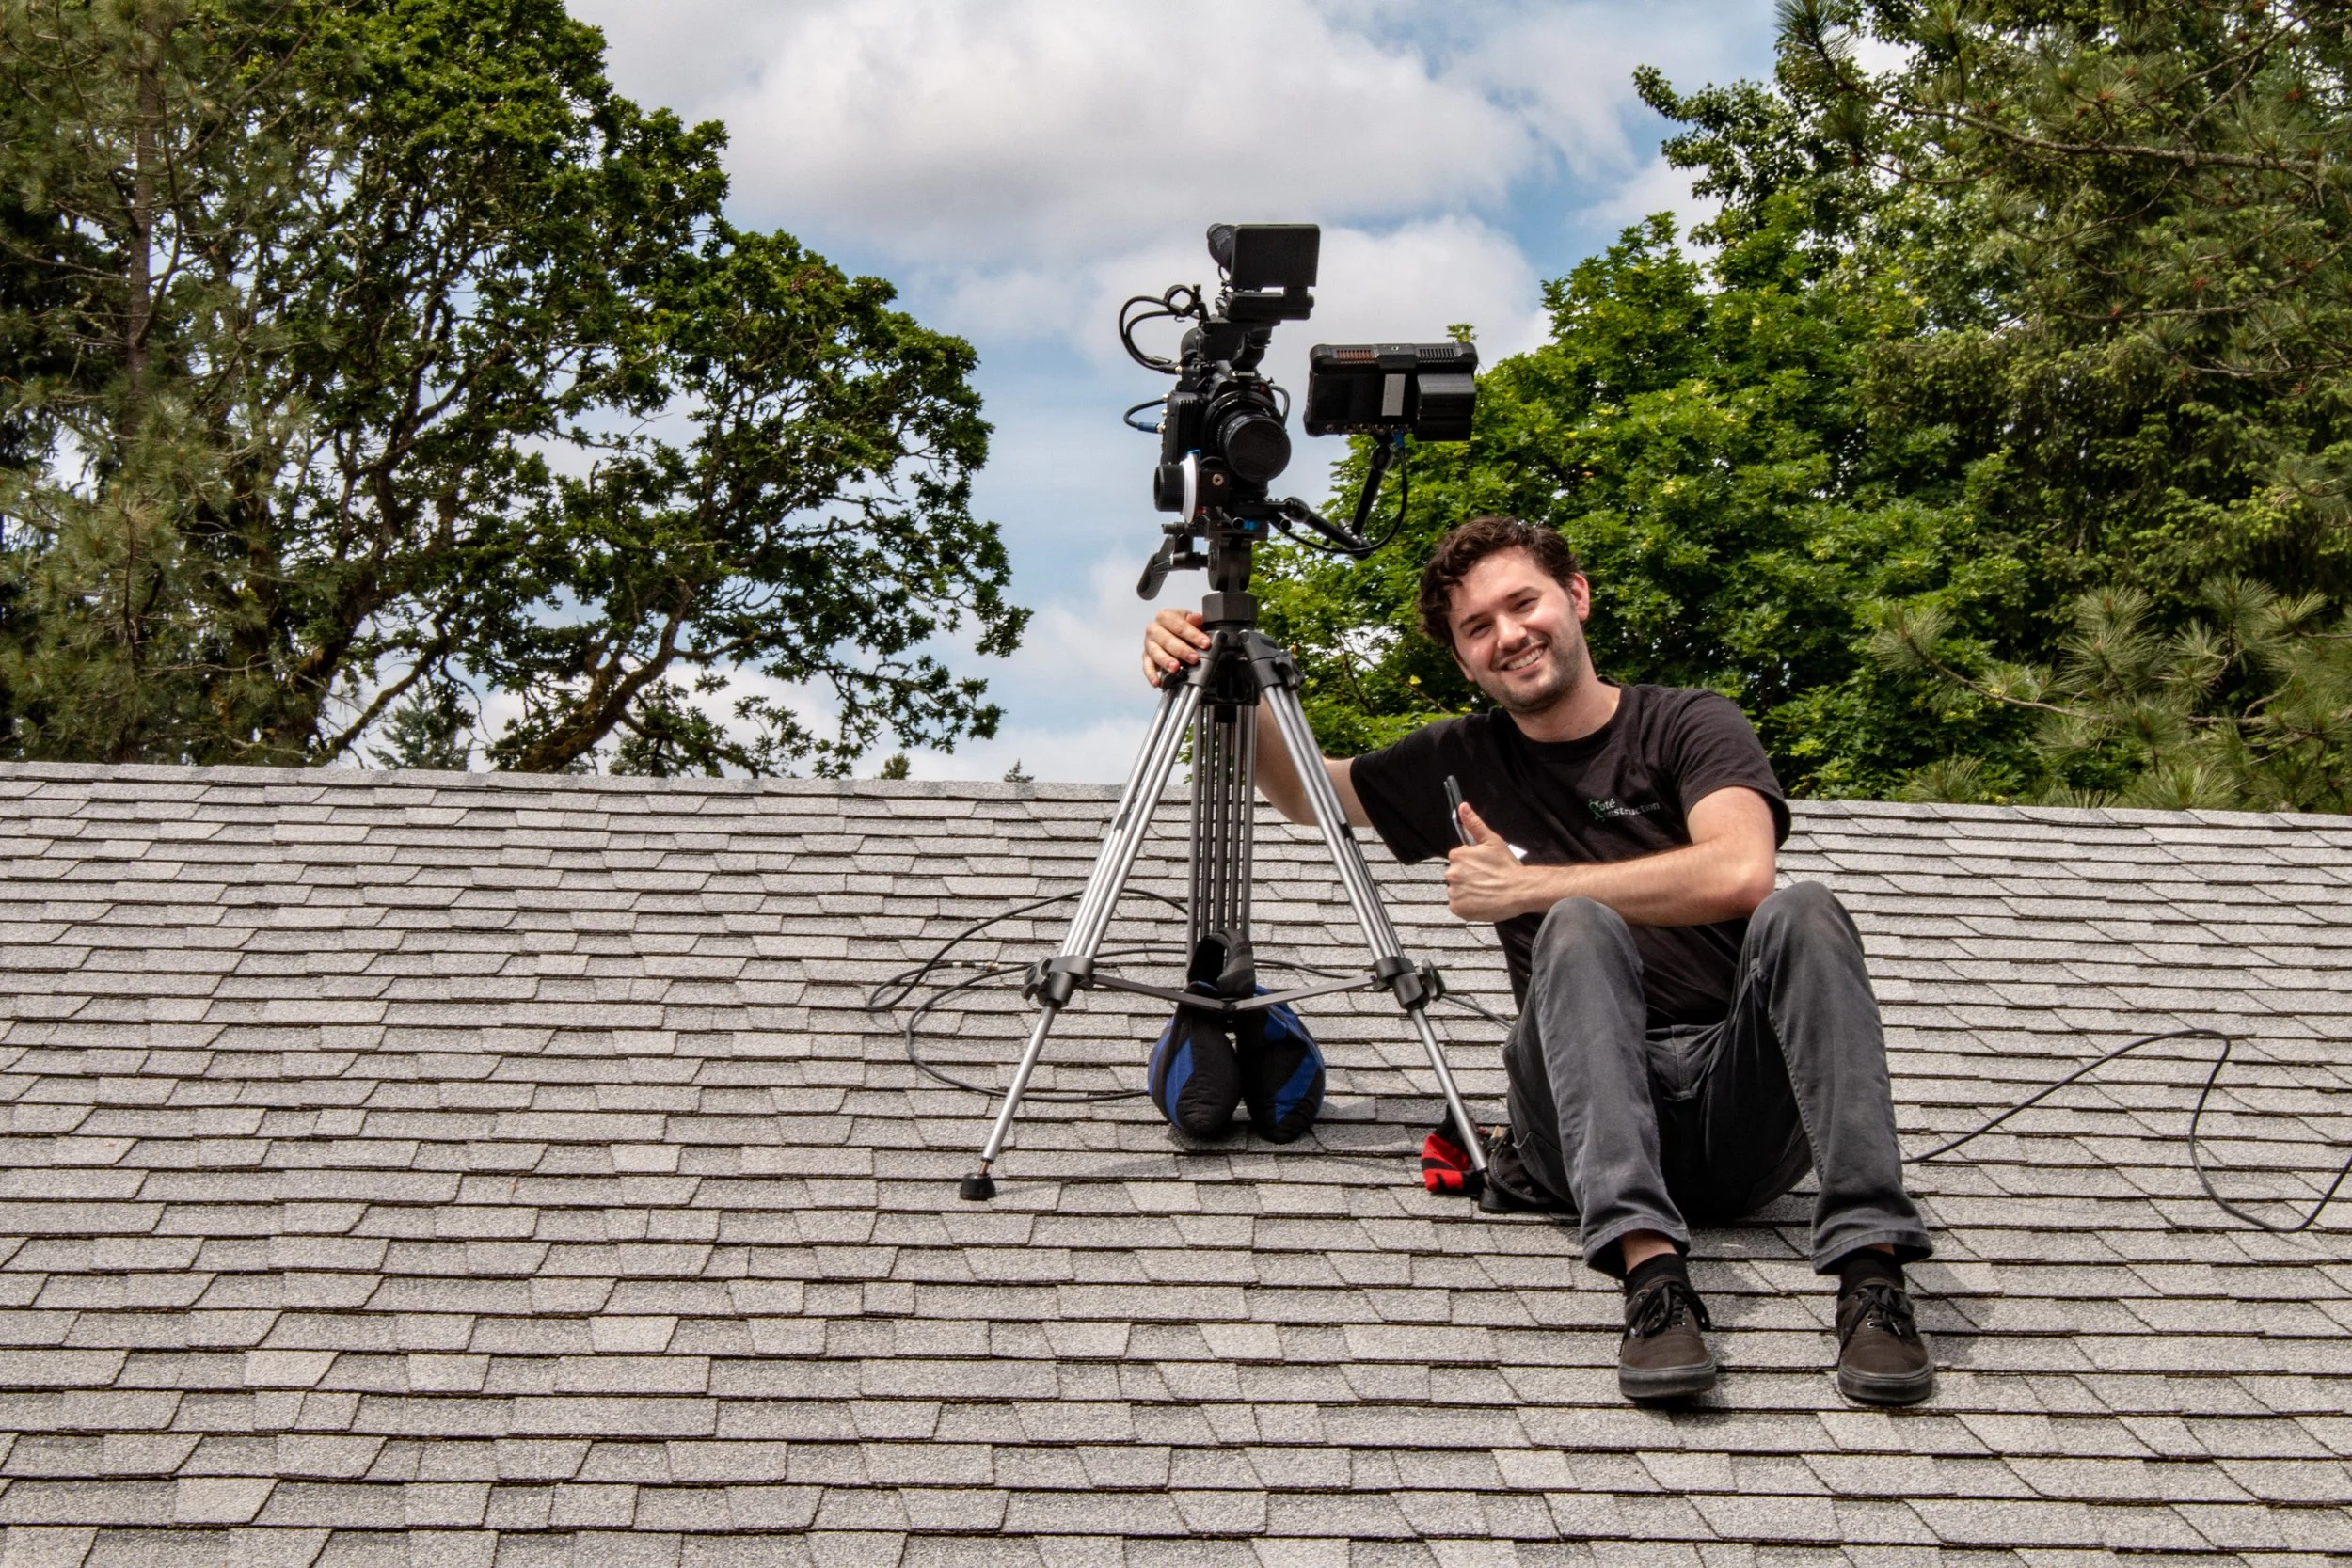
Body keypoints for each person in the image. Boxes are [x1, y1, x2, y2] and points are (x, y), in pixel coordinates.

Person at [1141, 515, 1935, 1405]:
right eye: (1478, 627)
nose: (1508, 634)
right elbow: (1301, 791)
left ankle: (1873, 1276)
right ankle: (1653, 1282)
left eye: (1523, 604)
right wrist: (1225, 680)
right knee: (1582, 926)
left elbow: (1743, 871)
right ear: (1464, 659)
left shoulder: (1688, 723)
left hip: (1731, 1109)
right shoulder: (1462, 757)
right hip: (1577, 1121)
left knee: (1806, 909)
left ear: (1577, 596)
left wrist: (1527, 886)